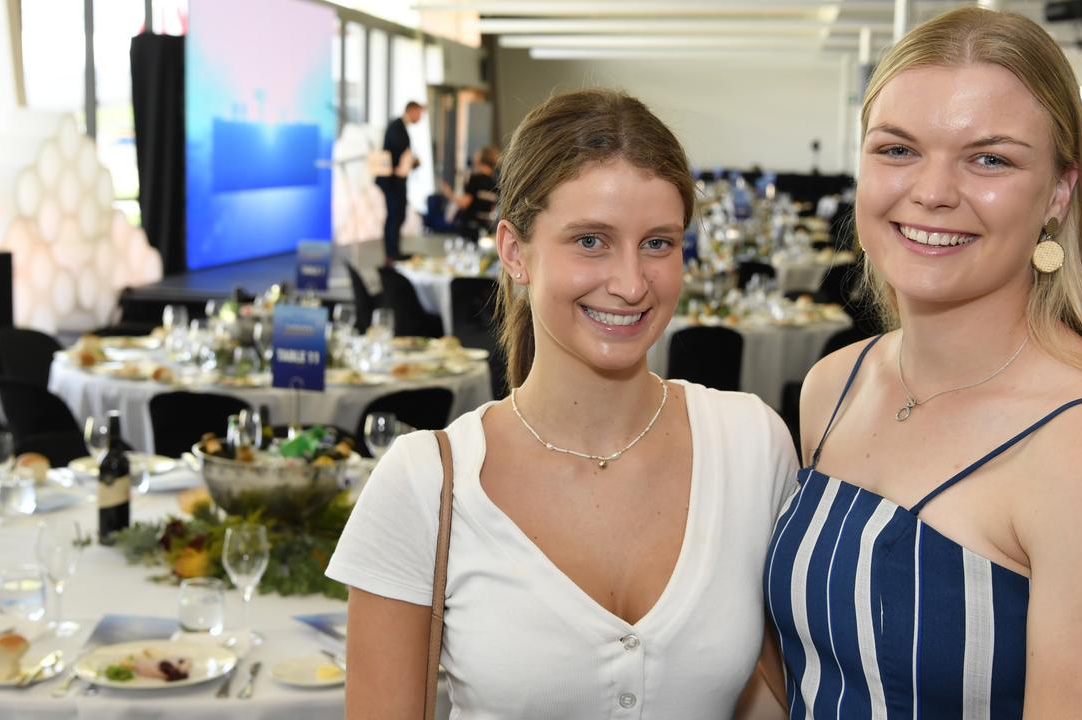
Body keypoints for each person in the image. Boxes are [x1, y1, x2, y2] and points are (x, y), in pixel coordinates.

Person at [763, 8, 1082, 718]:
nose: (932, 191)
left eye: (989, 158)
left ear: (1058, 195)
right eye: (897, 150)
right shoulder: (833, 384)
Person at [328, 89, 799, 718]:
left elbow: (775, 698)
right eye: (591, 241)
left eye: (658, 243)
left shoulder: (751, 446)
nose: (631, 283)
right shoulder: (426, 483)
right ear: (514, 251)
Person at [377, 101, 424, 264]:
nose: (420, 117)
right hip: (392, 181)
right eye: (419, 113)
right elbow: (397, 152)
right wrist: (411, 161)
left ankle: (393, 251)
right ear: (411, 110)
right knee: (395, 215)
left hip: (396, 180)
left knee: (397, 215)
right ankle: (391, 253)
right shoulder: (397, 126)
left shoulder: (400, 127)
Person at [451, 145, 500, 242]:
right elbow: (492, 208)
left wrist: (449, 193)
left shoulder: (474, 179)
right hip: (486, 227)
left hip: (469, 227)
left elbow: (465, 203)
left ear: (481, 158)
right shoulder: (496, 182)